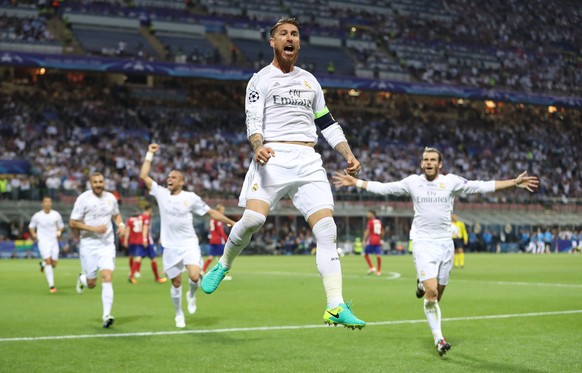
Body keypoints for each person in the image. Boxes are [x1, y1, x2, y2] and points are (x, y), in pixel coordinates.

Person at [201, 17, 366, 330]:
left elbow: (327, 122)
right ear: (273, 42)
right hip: (273, 155)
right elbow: (253, 120)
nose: (290, 38)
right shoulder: (260, 80)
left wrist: (347, 153)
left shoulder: (310, 82)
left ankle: (335, 305)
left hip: (308, 160)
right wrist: (257, 146)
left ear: (299, 43)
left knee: (327, 230)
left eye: (294, 34)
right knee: (253, 220)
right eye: (283, 34)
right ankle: (223, 263)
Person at [333, 147, 539, 355]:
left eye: (433, 160)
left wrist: (514, 182)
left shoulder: (451, 182)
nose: (429, 162)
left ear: (440, 164)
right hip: (422, 243)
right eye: (425, 160)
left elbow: (481, 186)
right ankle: (439, 339)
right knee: (431, 293)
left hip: (445, 245)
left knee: (436, 297)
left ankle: (420, 284)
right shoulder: (413, 182)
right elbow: (385, 188)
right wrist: (357, 182)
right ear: (422, 163)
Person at [140, 143, 236, 328]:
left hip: (189, 243)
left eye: (174, 177)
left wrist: (231, 222)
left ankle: (191, 295)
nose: (170, 179)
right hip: (170, 246)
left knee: (194, 276)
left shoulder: (190, 197)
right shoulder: (161, 193)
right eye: (168, 177)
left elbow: (211, 212)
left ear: (181, 182)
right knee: (176, 282)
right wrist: (149, 154)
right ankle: (178, 314)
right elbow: (144, 176)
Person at [70, 172, 125, 328]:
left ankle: (106, 315)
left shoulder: (111, 198)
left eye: (101, 182)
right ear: (90, 183)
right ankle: (82, 279)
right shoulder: (83, 199)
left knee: (107, 276)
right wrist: (93, 229)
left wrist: (121, 225)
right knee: (92, 283)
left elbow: (116, 215)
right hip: (88, 244)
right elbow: (73, 223)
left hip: (107, 244)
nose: (98, 184)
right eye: (95, 182)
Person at [28, 196, 64, 293]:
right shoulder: (37, 216)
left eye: (49, 202)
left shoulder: (56, 215)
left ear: (51, 203)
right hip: (43, 241)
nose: (48, 204)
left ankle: (43, 264)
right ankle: (52, 286)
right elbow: (31, 227)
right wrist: (34, 235)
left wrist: (59, 232)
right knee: (48, 261)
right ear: (42, 204)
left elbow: (61, 226)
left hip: (53, 241)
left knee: (54, 264)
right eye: (46, 202)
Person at [124, 205, 167, 284]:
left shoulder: (137, 218)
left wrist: (126, 240)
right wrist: (144, 239)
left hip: (135, 241)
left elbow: (128, 229)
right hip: (145, 241)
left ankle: (133, 275)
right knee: (151, 258)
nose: (152, 213)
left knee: (137, 257)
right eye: (151, 211)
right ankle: (156, 278)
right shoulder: (146, 218)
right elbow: (145, 229)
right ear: (148, 211)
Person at [202, 204, 232, 281]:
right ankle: (221, 275)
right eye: (222, 210)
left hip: (212, 239)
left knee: (211, 257)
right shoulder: (218, 219)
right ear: (219, 211)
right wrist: (227, 239)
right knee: (225, 258)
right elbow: (220, 231)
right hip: (218, 240)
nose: (223, 211)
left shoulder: (212, 218)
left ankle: (202, 271)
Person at [363, 209, 384, 276]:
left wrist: (364, 240)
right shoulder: (379, 221)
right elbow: (382, 231)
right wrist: (381, 239)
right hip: (378, 239)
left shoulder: (370, 221)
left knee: (366, 254)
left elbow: (368, 231)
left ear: (372, 214)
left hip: (371, 239)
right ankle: (379, 271)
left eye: (368, 213)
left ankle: (372, 267)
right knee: (378, 255)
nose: (367, 215)